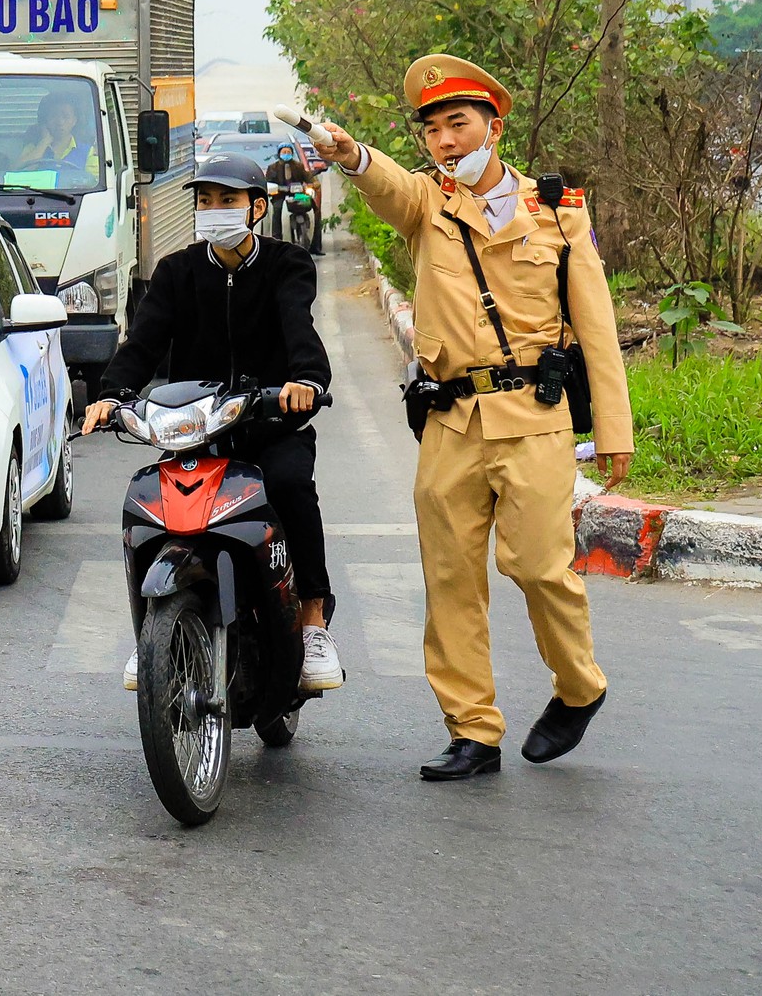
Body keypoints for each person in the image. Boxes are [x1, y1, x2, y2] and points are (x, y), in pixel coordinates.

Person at [312, 53, 631, 782]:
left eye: (458, 124)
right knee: (451, 577)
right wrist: (354, 155)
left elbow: (598, 327)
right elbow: (386, 184)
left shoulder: (557, 214)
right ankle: (473, 729)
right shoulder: (429, 204)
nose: (446, 142)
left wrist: (613, 429)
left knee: (539, 565)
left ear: (494, 123)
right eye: (432, 132)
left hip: (535, 418)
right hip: (451, 421)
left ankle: (579, 685)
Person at [81, 153, 339, 694]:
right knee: (149, 503)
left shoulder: (287, 264)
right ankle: (149, 628)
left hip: (270, 425)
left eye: (228, 201)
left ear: (257, 207)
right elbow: (143, 344)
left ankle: (313, 622)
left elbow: (301, 332)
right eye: (205, 201)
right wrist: (110, 397)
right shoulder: (177, 272)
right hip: (194, 430)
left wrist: (306, 383)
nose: (214, 211)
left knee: (290, 484)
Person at [16, 89, 99, 181]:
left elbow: (94, 183)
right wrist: (44, 142)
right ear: (46, 120)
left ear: (74, 120)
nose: (60, 122)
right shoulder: (33, 148)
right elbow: (17, 173)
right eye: (53, 116)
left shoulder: (88, 153)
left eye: (66, 116)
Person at [266, 141, 311, 241]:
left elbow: (309, 179)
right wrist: (276, 188)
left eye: (288, 152)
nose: (286, 154)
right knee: (277, 209)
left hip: (297, 195)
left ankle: (315, 242)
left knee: (310, 203)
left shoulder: (299, 166)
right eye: (284, 152)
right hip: (279, 196)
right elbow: (268, 182)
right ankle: (276, 238)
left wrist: (310, 186)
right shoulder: (273, 167)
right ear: (279, 153)